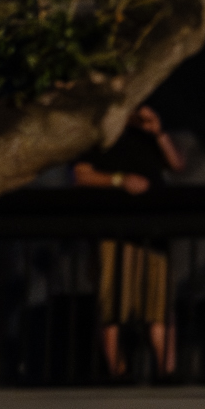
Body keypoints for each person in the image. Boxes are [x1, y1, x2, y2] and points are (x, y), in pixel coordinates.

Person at [73, 105, 186, 378]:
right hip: (115, 231)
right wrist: (119, 180)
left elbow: (177, 164)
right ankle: (117, 371)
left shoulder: (146, 135)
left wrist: (159, 133)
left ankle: (166, 371)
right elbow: (80, 174)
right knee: (113, 304)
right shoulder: (99, 134)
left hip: (154, 233)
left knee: (159, 307)